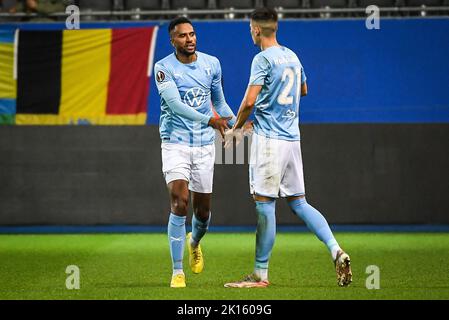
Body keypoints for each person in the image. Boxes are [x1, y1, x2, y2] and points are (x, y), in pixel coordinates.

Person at [223, 7, 352, 288]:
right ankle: (336, 249)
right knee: (299, 202)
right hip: (293, 140)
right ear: (276, 27)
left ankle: (260, 274)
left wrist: (234, 132)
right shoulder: (292, 56)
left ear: (256, 30)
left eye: (250, 28)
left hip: (269, 142)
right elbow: (303, 90)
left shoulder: (262, 59)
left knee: (265, 205)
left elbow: (248, 102)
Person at [154, 17, 245, 288]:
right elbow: (175, 104)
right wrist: (211, 121)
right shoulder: (163, 68)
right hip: (175, 142)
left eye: (192, 34)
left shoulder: (211, 64)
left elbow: (218, 101)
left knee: (202, 212)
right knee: (179, 200)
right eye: (183, 36)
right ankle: (177, 271)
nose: (190, 39)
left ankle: (194, 241)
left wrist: (238, 122)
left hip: (204, 144)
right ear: (173, 41)